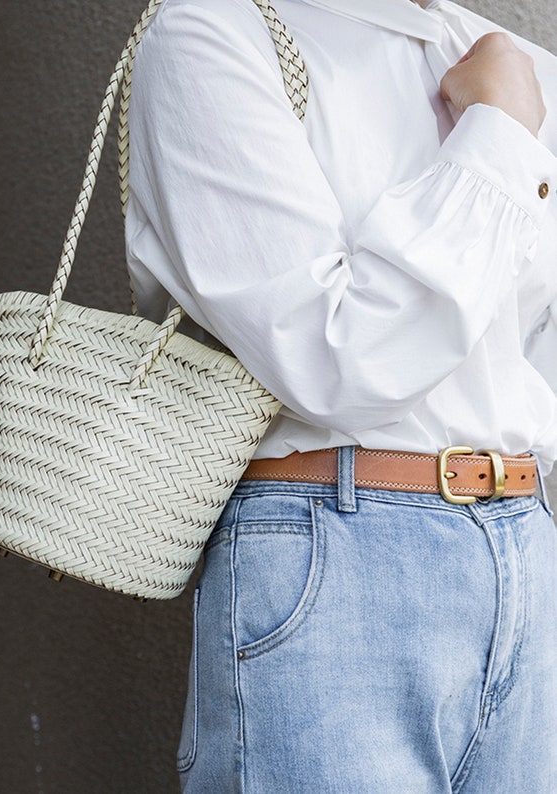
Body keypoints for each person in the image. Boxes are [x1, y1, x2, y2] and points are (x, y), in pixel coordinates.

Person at [125, 0, 557, 791]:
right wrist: (497, 129)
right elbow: (338, 355)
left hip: (525, 544)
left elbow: (537, 347)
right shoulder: (212, 33)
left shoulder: (505, 57)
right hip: (337, 551)